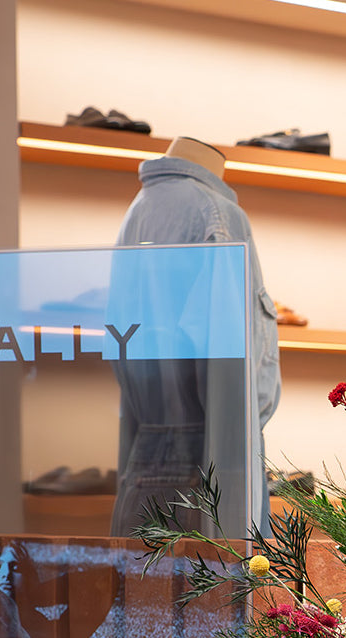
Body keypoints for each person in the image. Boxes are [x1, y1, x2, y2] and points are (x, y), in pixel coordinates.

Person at [109, 137, 279, 538]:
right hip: (208, 462)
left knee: (139, 580)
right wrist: (235, 526)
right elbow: (229, 388)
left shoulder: (136, 213)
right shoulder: (217, 215)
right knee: (220, 579)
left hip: (143, 459)